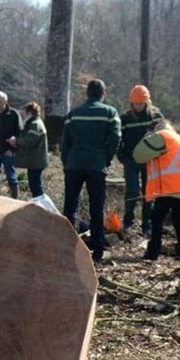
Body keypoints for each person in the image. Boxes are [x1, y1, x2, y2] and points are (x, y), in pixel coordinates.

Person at [61, 79, 121, 263]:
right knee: (97, 207)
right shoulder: (110, 113)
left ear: (87, 93)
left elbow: (65, 143)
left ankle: (67, 246)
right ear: (103, 94)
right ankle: (97, 249)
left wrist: (67, 162)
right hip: (96, 165)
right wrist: (107, 158)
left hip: (74, 164)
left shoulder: (74, 114)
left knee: (70, 206)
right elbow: (116, 138)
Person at [133, 120, 180, 260]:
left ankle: (153, 253)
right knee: (178, 220)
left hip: (171, 186)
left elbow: (138, 155)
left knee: (156, 219)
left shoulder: (161, 136)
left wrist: (147, 137)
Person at [117, 85, 164, 235]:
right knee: (131, 191)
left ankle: (147, 225)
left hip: (150, 160)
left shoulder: (155, 116)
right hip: (131, 160)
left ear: (147, 102)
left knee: (148, 192)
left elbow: (164, 136)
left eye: (140, 103)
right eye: (135, 104)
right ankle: (128, 222)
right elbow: (118, 139)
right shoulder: (125, 118)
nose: (137, 106)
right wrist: (122, 157)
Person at [14, 102, 48, 198]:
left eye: (24, 111)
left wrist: (16, 141)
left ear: (29, 112)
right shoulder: (35, 122)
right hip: (35, 161)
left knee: (36, 186)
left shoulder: (35, 124)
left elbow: (30, 141)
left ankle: (41, 206)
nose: (23, 114)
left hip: (36, 161)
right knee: (34, 185)